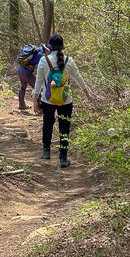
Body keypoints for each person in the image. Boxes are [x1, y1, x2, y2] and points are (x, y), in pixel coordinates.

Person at [33, 33, 92, 168]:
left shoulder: (44, 60)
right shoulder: (69, 61)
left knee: (47, 124)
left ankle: (46, 151)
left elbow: (39, 81)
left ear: (50, 47)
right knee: (64, 127)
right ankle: (63, 157)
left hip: (48, 99)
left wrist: (35, 99)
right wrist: (87, 94)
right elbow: (79, 78)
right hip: (66, 99)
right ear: (62, 48)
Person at [17, 44, 45, 110]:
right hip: (27, 73)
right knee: (37, 88)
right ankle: (40, 108)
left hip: (20, 70)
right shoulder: (41, 55)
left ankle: (21, 105)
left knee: (23, 87)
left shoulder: (35, 49)